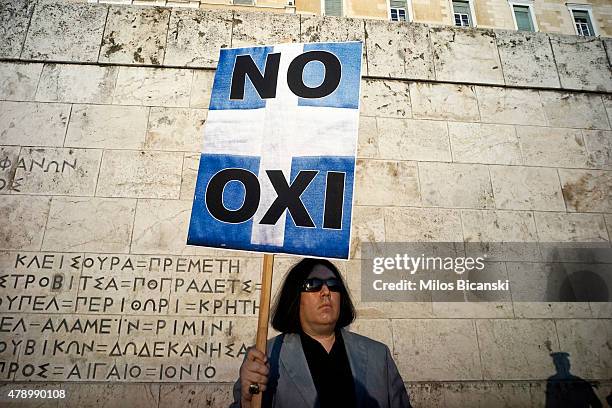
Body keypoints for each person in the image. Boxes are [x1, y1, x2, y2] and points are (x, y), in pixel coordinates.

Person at [231, 258, 411, 408]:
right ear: (295, 297)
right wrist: (247, 402)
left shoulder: (379, 355)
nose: (326, 292)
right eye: (313, 284)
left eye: (333, 285)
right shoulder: (265, 357)